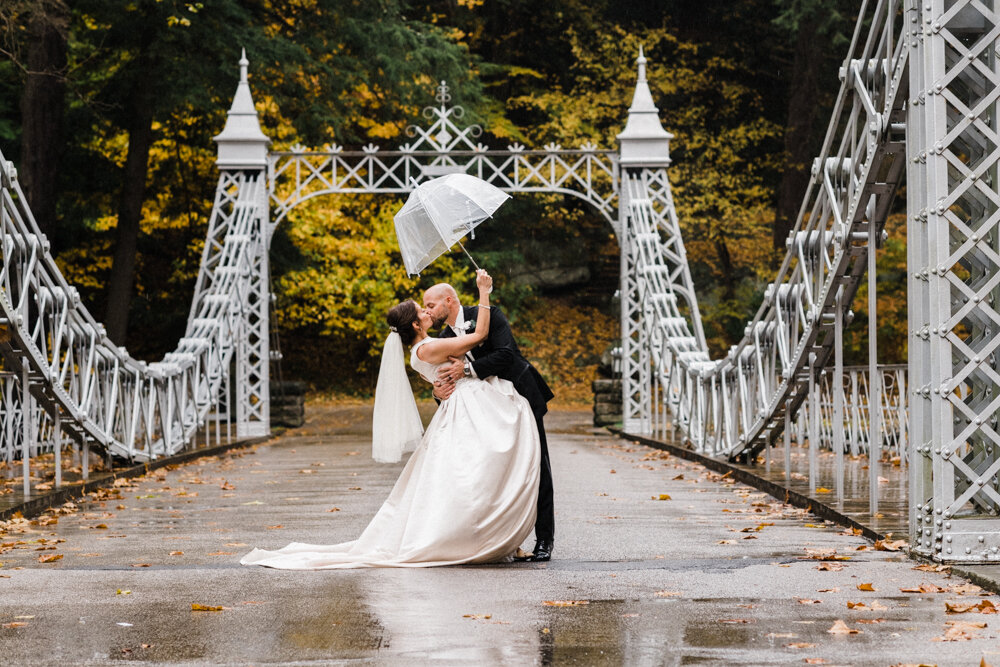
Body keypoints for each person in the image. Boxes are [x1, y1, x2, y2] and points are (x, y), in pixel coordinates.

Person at [240, 270, 540, 569]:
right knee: (477, 470)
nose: (426, 312)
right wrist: (484, 292)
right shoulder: (430, 347)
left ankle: (485, 533)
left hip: (461, 407)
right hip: (468, 406)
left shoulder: (419, 351)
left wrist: (436, 387)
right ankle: (475, 534)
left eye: (427, 306)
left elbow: (436, 378)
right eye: (422, 310)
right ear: (415, 324)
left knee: (465, 474)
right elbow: (480, 336)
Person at [423, 281, 555, 562]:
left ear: (449, 301)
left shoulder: (488, 314)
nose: (427, 311)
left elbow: (506, 354)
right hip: (486, 412)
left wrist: (468, 368)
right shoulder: (444, 337)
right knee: (493, 472)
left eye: (430, 305)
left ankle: (544, 539)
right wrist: (437, 392)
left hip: (520, 394)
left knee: (538, 465)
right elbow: (446, 379)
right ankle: (503, 539)